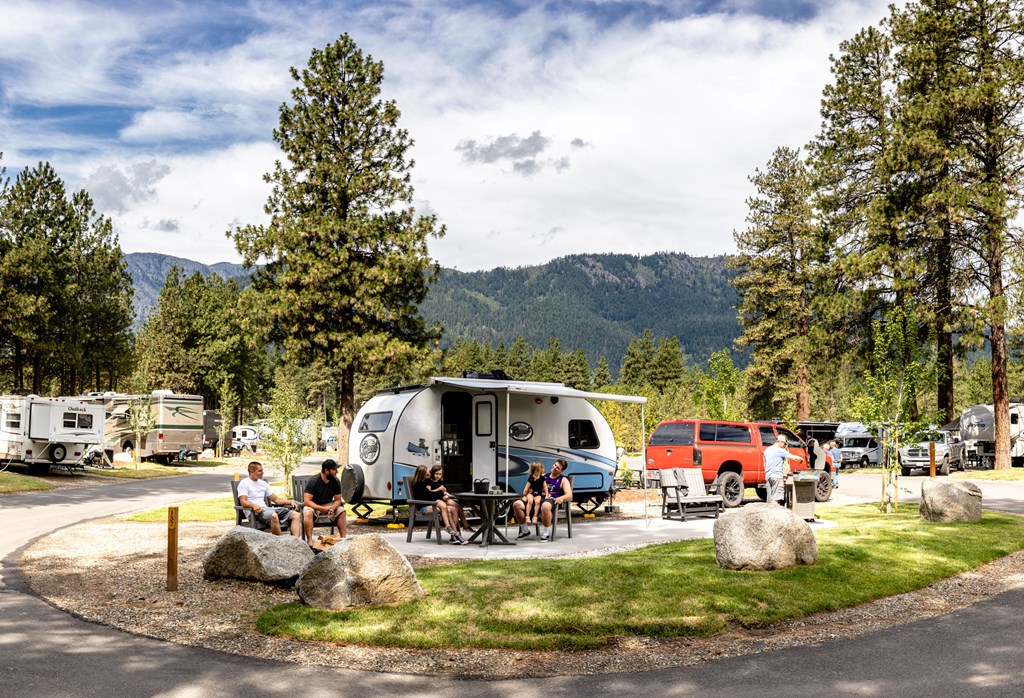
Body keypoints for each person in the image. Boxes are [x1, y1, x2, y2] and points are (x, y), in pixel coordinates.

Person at [512, 458, 573, 541]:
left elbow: (569, 495)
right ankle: (525, 530)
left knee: (545, 505)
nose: (555, 467)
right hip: (535, 498)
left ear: (562, 471)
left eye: (558, 467)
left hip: (550, 500)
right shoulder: (543, 476)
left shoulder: (563, 480)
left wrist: (561, 498)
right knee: (517, 504)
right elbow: (531, 485)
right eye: (555, 465)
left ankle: (545, 533)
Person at [236, 461, 301, 536]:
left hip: (266, 510)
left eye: (262, 470)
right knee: (273, 515)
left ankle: (295, 542)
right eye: (260, 471)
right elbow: (243, 501)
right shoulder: (244, 483)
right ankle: (279, 543)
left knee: (296, 515)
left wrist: (290, 502)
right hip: (254, 513)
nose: (262, 472)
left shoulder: (263, 483)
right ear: (252, 472)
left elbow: (276, 500)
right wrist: (253, 506)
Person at [411, 465, 466, 544]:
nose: (429, 475)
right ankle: (453, 532)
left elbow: (432, 494)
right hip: (424, 507)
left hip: (432, 504)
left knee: (453, 509)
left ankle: (453, 535)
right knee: (446, 508)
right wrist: (440, 490)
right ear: (422, 475)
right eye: (427, 474)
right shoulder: (418, 485)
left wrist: (442, 494)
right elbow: (429, 495)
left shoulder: (425, 482)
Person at [302, 459, 348, 546]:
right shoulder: (314, 481)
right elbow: (307, 501)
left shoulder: (336, 481)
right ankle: (310, 541)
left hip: (329, 504)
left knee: (341, 511)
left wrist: (332, 508)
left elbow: (338, 500)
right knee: (308, 513)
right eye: (334, 469)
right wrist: (322, 509)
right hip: (313, 504)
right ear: (326, 470)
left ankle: (343, 539)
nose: (336, 472)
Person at [427, 465, 471, 534]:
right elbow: (429, 493)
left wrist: (448, 494)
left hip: (442, 498)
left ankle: (466, 526)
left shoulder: (440, 482)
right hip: (435, 500)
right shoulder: (429, 482)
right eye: (437, 474)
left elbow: (443, 491)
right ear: (432, 473)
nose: (438, 476)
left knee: (458, 507)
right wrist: (439, 489)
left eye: (440, 474)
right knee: (454, 509)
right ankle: (456, 530)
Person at [763, 435, 804, 505]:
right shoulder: (780, 450)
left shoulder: (767, 450)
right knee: (776, 500)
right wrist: (801, 459)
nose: (785, 445)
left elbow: (764, 464)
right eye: (784, 443)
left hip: (768, 477)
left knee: (770, 500)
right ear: (780, 442)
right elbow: (794, 457)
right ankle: (776, 514)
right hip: (777, 477)